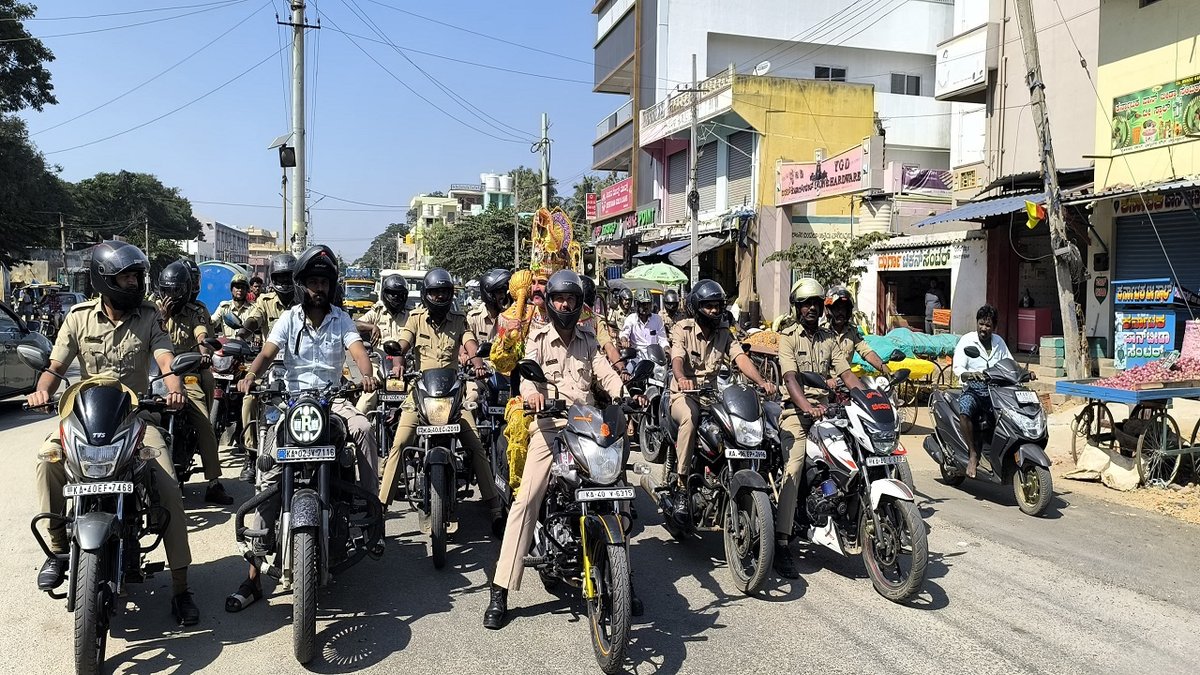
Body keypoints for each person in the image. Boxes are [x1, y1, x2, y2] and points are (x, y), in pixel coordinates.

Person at [28, 241, 201, 625]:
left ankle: (180, 587)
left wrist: (174, 387)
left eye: (138, 275)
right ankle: (57, 551)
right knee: (47, 461)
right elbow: (55, 366)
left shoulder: (149, 317)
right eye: (127, 276)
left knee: (169, 485)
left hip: (136, 418)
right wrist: (43, 390)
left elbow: (165, 359)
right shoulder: (77, 318)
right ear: (105, 279)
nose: (136, 282)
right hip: (84, 415)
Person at [226, 245, 379, 612]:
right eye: (312, 282)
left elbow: (357, 351)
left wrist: (368, 374)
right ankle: (252, 580)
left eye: (323, 282)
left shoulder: (341, 318)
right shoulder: (288, 319)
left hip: (333, 399)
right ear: (301, 286)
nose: (318, 289)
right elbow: (266, 352)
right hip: (292, 402)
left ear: (331, 286)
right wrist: (250, 375)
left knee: (363, 429)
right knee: (266, 471)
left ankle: (372, 515)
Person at [484, 270, 637, 629]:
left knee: (618, 492)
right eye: (558, 299)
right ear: (550, 302)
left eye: (570, 299)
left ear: (579, 303)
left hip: (586, 425)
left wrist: (624, 395)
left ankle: (624, 580)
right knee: (526, 500)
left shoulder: (588, 340)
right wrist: (532, 393)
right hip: (550, 427)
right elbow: (526, 374)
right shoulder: (537, 338)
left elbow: (606, 374)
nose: (565, 305)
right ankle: (500, 588)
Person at [377, 268, 503, 535]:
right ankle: (381, 509)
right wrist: (397, 364)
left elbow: (470, 346)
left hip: (452, 395)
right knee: (400, 443)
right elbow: (402, 345)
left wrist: (478, 364)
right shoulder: (415, 318)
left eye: (444, 292)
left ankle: (494, 508)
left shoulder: (459, 319)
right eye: (435, 292)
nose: (439, 297)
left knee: (475, 445)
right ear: (426, 295)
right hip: (420, 393)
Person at [667, 280, 777, 524]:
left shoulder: (725, 333)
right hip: (684, 394)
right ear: (697, 307)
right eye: (709, 306)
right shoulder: (682, 328)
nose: (715, 311)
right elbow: (677, 357)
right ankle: (682, 485)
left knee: (737, 427)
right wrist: (682, 377)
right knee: (690, 419)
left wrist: (761, 381)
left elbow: (740, 358)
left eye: (718, 306)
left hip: (712, 395)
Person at [774, 277, 863, 577]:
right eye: (806, 304)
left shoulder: (829, 339)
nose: (812, 308)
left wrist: (867, 398)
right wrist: (807, 407)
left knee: (856, 453)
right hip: (795, 413)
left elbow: (847, 374)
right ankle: (782, 541)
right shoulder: (787, 337)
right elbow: (790, 379)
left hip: (828, 412)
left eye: (815, 303)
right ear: (798, 308)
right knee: (795, 466)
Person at [157, 261, 234, 505]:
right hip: (157, 377)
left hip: (188, 374)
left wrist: (204, 351)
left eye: (175, 291)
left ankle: (213, 483)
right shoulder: (152, 311)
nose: (170, 297)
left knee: (203, 422)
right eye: (166, 291)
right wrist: (163, 318)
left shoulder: (196, 310)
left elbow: (202, 333)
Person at [953, 304, 1020, 478]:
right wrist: (970, 374)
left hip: (997, 391)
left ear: (994, 327)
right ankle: (973, 454)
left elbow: (1010, 362)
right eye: (981, 324)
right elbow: (958, 367)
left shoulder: (999, 342)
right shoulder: (967, 341)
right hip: (974, 389)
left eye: (988, 325)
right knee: (965, 411)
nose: (984, 328)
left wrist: (1024, 372)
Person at [354, 273, 411, 414]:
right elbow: (353, 324)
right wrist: (372, 327)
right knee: (366, 400)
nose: (396, 298)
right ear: (385, 294)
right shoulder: (377, 312)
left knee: (418, 399)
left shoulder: (411, 315)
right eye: (392, 294)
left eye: (399, 294)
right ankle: (358, 431)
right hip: (378, 365)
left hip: (406, 366)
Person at [825, 286, 890, 376]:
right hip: (822, 384)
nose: (840, 312)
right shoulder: (821, 331)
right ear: (829, 309)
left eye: (844, 308)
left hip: (846, 382)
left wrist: (888, 372)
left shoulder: (852, 331)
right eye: (837, 308)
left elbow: (867, 352)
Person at [620, 288, 669, 354]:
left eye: (648, 304)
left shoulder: (657, 319)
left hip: (654, 356)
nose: (645, 307)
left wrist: (667, 349)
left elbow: (663, 340)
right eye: (642, 304)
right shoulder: (631, 319)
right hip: (636, 357)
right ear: (637, 304)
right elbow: (624, 333)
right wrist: (624, 340)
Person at [211, 274, 256, 339]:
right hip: (227, 346)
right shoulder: (224, 307)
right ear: (232, 290)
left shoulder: (253, 308)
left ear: (247, 290)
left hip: (246, 346)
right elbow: (213, 322)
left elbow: (258, 329)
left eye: (243, 287)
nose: (240, 290)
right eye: (237, 287)